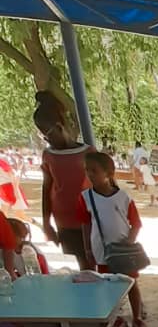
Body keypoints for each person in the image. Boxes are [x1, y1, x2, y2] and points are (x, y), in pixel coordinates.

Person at [78, 151, 148, 327]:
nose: (90, 174)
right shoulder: (86, 197)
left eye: (94, 170)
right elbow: (85, 224)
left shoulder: (123, 197)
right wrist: (87, 248)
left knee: (131, 283)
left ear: (108, 173)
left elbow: (136, 223)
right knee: (108, 285)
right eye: (87, 170)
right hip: (102, 249)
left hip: (123, 250)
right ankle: (118, 318)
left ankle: (137, 317)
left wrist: (129, 242)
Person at [34, 92, 92, 270]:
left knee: (96, 261)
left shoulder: (88, 153)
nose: (47, 140)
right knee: (83, 265)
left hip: (89, 218)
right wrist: (46, 224)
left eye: (47, 135)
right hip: (65, 222)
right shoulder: (49, 155)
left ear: (60, 127)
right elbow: (46, 189)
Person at [0, 216, 47, 327]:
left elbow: (10, 269)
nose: (22, 240)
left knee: (13, 302)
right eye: (20, 237)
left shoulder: (27, 250)